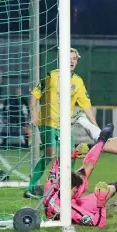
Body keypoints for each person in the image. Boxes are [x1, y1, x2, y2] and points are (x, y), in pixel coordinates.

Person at [25, 48, 99, 199]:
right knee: (50, 153)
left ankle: (64, 189)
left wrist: (95, 127)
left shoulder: (78, 81)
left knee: (71, 156)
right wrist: (33, 115)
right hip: (47, 122)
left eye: (74, 59)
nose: (72, 61)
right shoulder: (51, 76)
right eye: (69, 58)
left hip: (65, 126)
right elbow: (34, 96)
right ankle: (31, 188)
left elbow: (86, 106)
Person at [44, 124, 117, 228]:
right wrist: (101, 202)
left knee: (88, 167)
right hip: (70, 205)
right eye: (77, 189)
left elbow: (57, 164)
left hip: (66, 198)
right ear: (73, 189)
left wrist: (73, 154)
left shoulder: (52, 183)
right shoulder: (70, 210)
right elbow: (98, 223)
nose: (79, 190)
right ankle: (113, 187)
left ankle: (102, 140)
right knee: (106, 191)